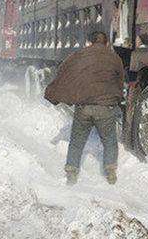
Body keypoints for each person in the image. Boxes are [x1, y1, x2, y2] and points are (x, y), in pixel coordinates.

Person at [44, 31, 125, 185]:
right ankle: (110, 172)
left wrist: (56, 92)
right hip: (105, 107)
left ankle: (71, 173)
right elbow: (120, 81)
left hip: (84, 107)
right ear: (106, 43)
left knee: (76, 141)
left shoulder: (80, 55)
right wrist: (116, 99)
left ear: (90, 42)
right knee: (109, 141)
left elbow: (65, 70)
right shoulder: (115, 58)